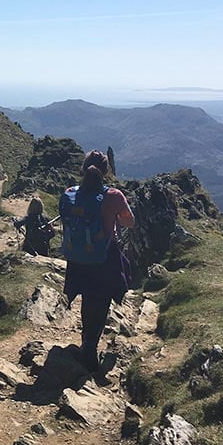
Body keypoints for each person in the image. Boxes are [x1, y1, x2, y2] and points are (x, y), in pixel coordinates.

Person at [63, 150, 135, 373]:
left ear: (83, 169)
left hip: (78, 258)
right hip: (103, 258)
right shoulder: (114, 196)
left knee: (87, 299)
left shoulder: (69, 193)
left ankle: (87, 343)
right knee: (101, 303)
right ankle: (90, 351)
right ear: (106, 171)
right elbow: (129, 222)